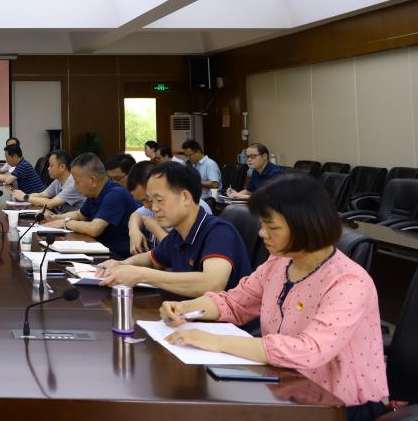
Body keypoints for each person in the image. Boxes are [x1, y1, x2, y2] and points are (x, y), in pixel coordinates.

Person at [160, 173, 388, 420]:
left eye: (272, 227)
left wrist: (215, 342)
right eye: (262, 224)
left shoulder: (348, 281)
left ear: (306, 225)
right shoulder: (280, 262)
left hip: (339, 405)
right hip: (286, 387)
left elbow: (310, 350)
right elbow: (235, 301)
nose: (262, 233)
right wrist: (185, 308)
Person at [98, 161, 251, 297]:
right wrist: (122, 265)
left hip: (224, 320)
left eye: (159, 200)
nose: (154, 208)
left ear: (185, 197)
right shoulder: (178, 234)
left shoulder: (219, 231)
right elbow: (151, 258)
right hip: (189, 313)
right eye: (150, 201)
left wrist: (141, 274)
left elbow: (212, 284)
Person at [41, 153, 140, 258]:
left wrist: (65, 223)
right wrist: (54, 218)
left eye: (77, 182)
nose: (75, 186)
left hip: (120, 257)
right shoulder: (94, 193)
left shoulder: (115, 194)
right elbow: (79, 215)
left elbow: (94, 229)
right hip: (100, 251)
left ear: (93, 180)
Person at [10, 150, 84, 212]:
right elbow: (42, 194)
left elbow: (51, 203)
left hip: (75, 222)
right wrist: (21, 197)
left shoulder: (73, 183)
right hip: (62, 218)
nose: (48, 168)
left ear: (62, 167)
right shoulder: (58, 181)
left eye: (51, 166)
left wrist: (25, 197)